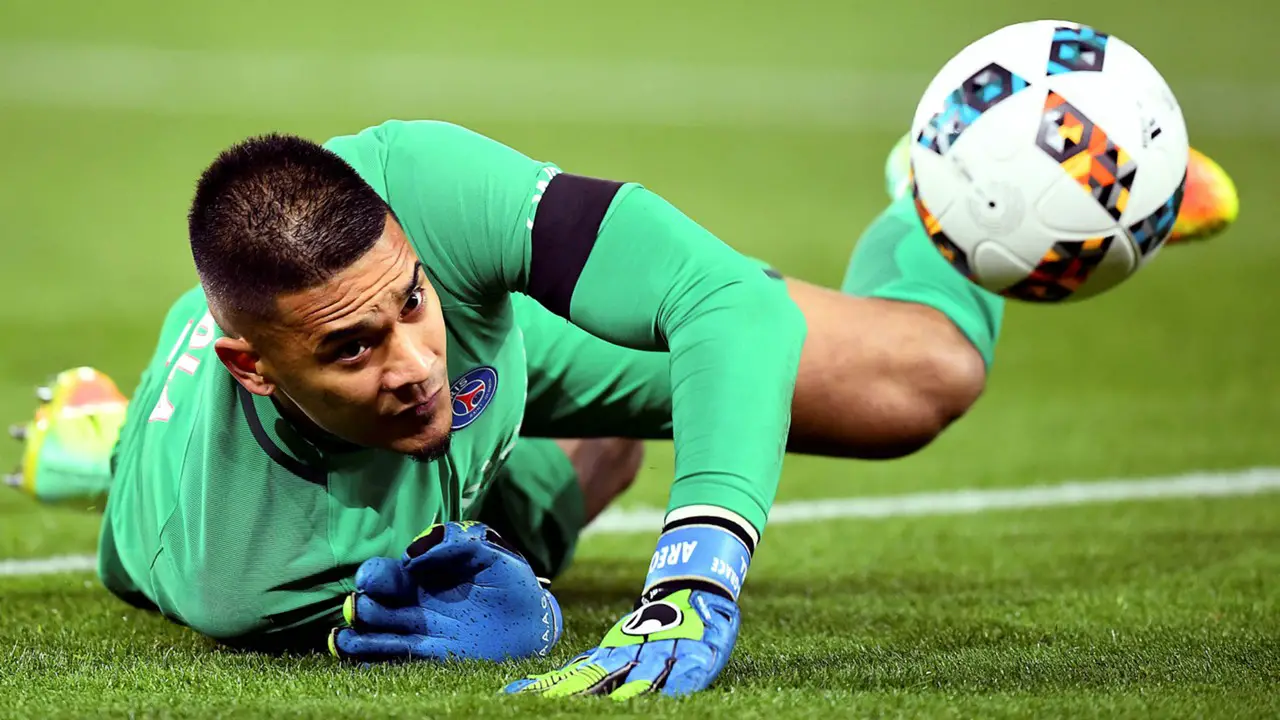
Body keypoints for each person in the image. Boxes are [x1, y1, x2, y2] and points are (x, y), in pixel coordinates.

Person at [7, 120, 1238, 698]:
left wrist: (698, 567)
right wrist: (513, 612)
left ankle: (965, 174)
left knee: (920, 383)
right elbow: (450, 612)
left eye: (412, 304)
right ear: (257, 368)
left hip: (481, 372)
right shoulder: (247, 574)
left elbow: (725, 305)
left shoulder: (415, 184)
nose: (416, 361)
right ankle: (110, 449)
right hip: (270, 486)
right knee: (584, 474)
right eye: (356, 346)